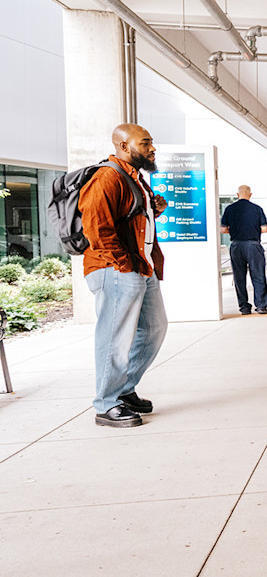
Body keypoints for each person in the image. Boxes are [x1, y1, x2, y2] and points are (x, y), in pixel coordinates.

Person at [79, 124, 169, 427]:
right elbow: (96, 227)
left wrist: (156, 206)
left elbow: (132, 218)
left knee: (155, 328)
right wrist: (123, 265)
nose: (152, 148)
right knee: (114, 338)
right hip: (116, 269)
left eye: (151, 142)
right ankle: (106, 404)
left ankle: (123, 389)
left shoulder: (135, 178)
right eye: (145, 144)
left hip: (141, 266)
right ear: (123, 146)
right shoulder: (107, 177)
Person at [220, 185, 267, 314]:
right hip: (254, 246)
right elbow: (264, 229)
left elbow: (223, 229)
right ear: (250, 195)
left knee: (239, 277)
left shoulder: (229, 209)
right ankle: (261, 306)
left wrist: (237, 230)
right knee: (258, 275)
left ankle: (244, 307)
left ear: (237, 194)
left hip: (237, 246)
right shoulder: (257, 209)